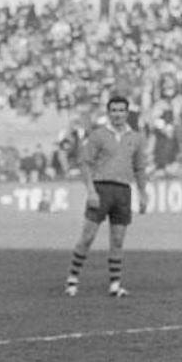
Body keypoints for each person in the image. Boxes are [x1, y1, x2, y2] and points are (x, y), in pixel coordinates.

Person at [64, 95, 148, 298]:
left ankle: (115, 284)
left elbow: (139, 168)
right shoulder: (98, 135)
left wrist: (143, 193)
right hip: (101, 189)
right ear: (109, 113)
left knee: (118, 240)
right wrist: (91, 191)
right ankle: (72, 280)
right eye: (114, 110)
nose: (118, 114)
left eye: (121, 110)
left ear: (127, 113)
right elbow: (84, 162)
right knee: (87, 237)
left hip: (123, 192)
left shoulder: (135, 138)